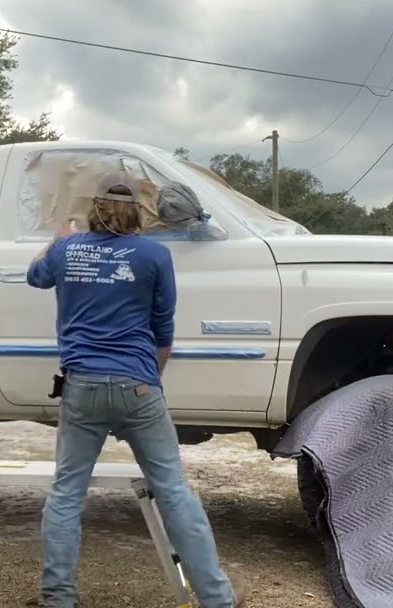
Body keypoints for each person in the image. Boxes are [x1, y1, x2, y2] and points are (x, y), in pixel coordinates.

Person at [27, 171, 244, 608]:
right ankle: (217, 599)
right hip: (139, 384)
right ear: (138, 211)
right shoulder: (154, 255)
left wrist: (57, 238)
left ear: (95, 206)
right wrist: (148, 382)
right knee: (173, 489)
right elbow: (163, 331)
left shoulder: (69, 250)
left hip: (82, 386)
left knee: (68, 491)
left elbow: (35, 277)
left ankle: (57, 598)